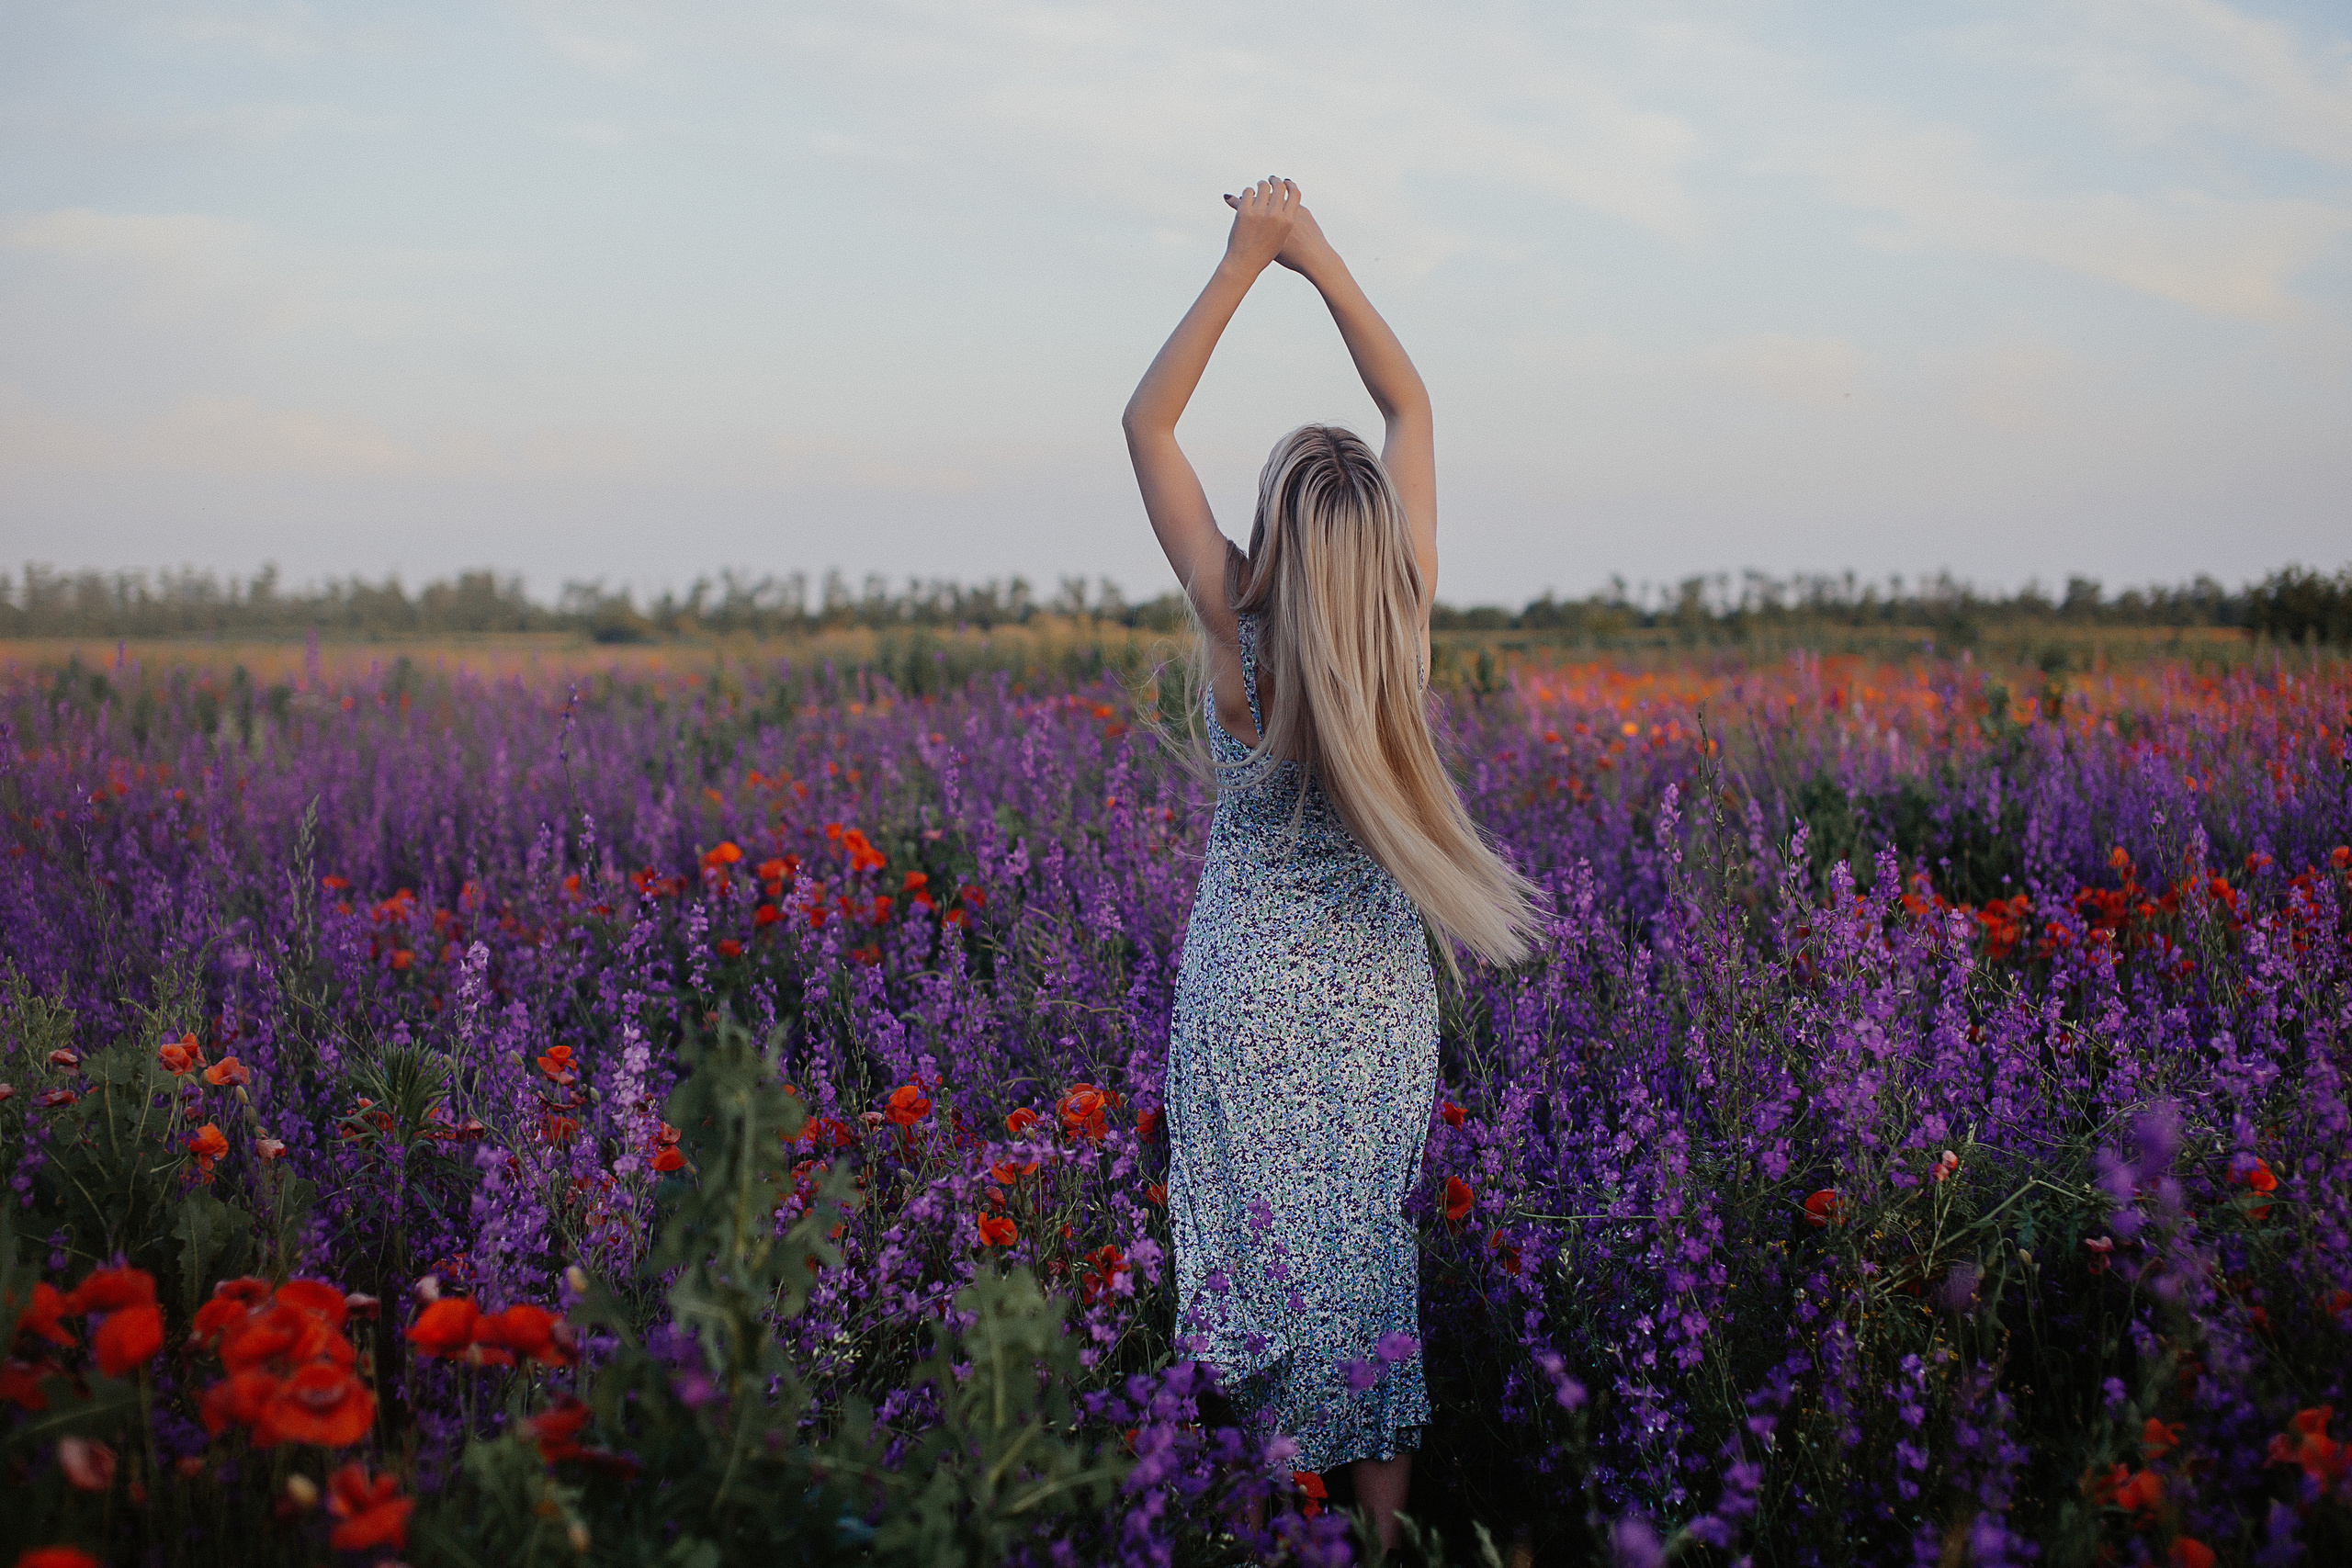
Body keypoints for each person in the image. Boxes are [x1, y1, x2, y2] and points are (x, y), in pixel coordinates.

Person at [1122, 176, 1544, 1553]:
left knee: (1253, 1261)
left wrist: (1245, 259)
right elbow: (1410, 404)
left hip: (1244, 1001)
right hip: (1373, 1004)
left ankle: (1252, 1518)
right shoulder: (1400, 628)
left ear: (1280, 532)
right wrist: (1316, 256)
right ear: (1372, 546)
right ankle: (1374, 1545)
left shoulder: (1236, 632)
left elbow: (1146, 425)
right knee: (1365, 1264)